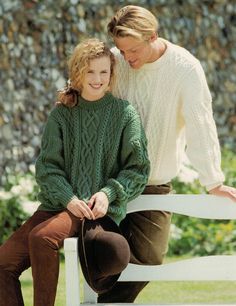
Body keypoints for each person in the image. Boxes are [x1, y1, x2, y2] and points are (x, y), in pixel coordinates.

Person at [96, 5, 236, 303]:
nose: (127, 58)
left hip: (154, 182)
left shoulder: (185, 68)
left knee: (149, 259)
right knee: (101, 255)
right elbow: (88, 91)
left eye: (132, 50)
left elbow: (201, 123)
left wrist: (213, 179)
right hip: (108, 181)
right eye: (122, 51)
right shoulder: (114, 60)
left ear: (153, 36)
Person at [0, 38, 150, 306]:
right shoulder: (62, 115)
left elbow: (138, 169)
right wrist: (68, 197)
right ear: (79, 72)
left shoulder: (125, 114)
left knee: (42, 237)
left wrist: (108, 193)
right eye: (90, 71)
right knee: (3, 263)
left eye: (104, 72)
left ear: (112, 74)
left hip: (93, 211)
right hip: (59, 204)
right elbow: (47, 167)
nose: (97, 79)